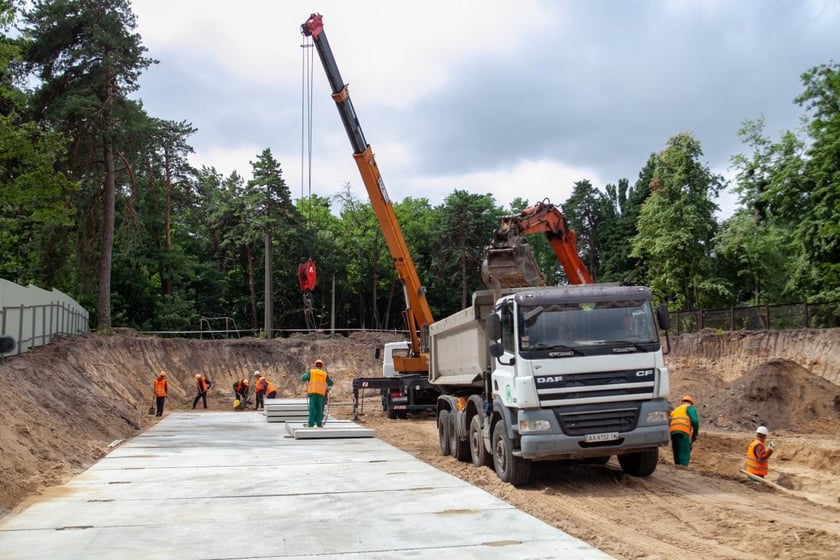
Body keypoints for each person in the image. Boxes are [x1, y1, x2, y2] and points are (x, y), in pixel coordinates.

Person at [301, 359, 333, 427]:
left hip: (313, 392)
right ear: (321, 366)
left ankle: (311, 424)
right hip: (321, 394)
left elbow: (304, 378)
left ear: (315, 365)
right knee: (319, 409)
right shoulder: (324, 374)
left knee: (312, 409)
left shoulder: (311, 372)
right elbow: (330, 383)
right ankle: (319, 424)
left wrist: (303, 376)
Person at [669, 395, 699, 466]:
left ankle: (677, 466)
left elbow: (669, 421)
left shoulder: (675, 410)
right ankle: (683, 468)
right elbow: (695, 421)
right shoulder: (689, 408)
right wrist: (695, 434)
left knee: (676, 450)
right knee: (684, 450)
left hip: (673, 432)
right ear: (691, 403)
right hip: (683, 431)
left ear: (682, 402)